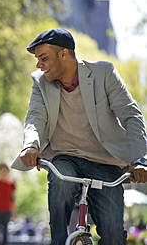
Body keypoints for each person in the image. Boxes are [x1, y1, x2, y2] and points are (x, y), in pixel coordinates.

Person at [17, 28, 147, 245]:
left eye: (43, 58)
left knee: (114, 234)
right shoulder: (40, 82)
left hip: (105, 161)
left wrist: (139, 160)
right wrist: (30, 146)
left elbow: (131, 116)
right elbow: (34, 118)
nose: (38, 64)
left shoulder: (103, 73)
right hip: (66, 157)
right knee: (61, 184)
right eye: (37, 59)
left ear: (64, 54)